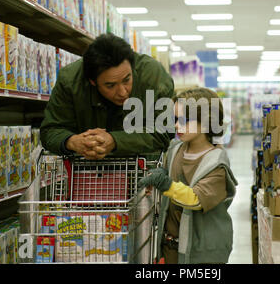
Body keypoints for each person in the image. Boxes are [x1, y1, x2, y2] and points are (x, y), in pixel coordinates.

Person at [138, 88, 238, 264]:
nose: (177, 125)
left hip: (203, 253)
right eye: (176, 119)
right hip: (171, 248)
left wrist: (165, 184)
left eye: (184, 120)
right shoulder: (175, 149)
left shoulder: (216, 164)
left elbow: (195, 200)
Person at [40, 33, 174, 159]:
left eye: (126, 80)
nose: (122, 92)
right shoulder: (70, 81)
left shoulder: (153, 76)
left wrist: (115, 140)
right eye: (110, 85)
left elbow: (164, 132)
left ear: (132, 68)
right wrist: (72, 141)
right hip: (87, 174)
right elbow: (50, 130)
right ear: (92, 81)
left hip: (143, 171)